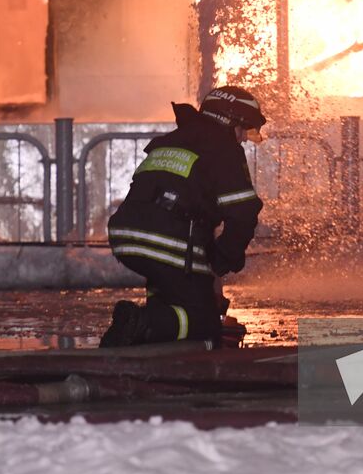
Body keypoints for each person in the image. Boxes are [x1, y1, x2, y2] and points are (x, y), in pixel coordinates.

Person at [100, 85, 265, 347]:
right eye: (244, 129)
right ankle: (142, 322)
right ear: (229, 121)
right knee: (205, 322)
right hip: (166, 240)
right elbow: (243, 212)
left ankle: (145, 329)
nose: (244, 138)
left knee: (172, 294)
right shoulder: (224, 147)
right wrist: (223, 259)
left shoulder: (174, 139)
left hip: (126, 234)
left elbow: (187, 204)